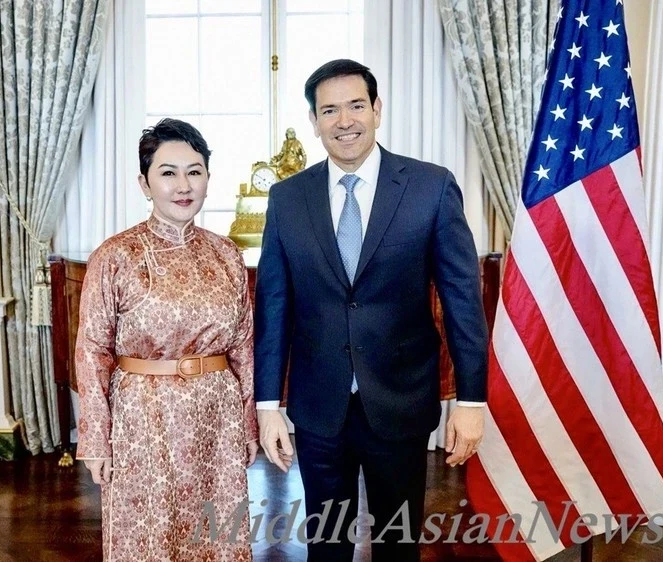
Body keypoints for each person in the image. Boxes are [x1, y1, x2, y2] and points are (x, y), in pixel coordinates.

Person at [254, 59, 489, 561]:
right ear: (314, 121)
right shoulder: (287, 199)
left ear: (377, 110)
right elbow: (273, 306)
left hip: (401, 402)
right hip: (319, 408)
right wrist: (267, 406)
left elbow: (462, 300)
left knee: (398, 545)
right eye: (329, 110)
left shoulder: (431, 187)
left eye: (356, 106)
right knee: (327, 546)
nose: (344, 121)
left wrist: (471, 402)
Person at [75, 118, 259, 561]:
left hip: (217, 419)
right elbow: (93, 350)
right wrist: (96, 440)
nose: (183, 185)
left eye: (194, 171)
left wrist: (248, 423)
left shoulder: (226, 254)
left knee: (215, 536)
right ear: (145, 183)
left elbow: (243, 347)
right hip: (143, 418)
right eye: (168, 172)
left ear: (208, 178)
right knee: (150, 536)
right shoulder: (115, 256)